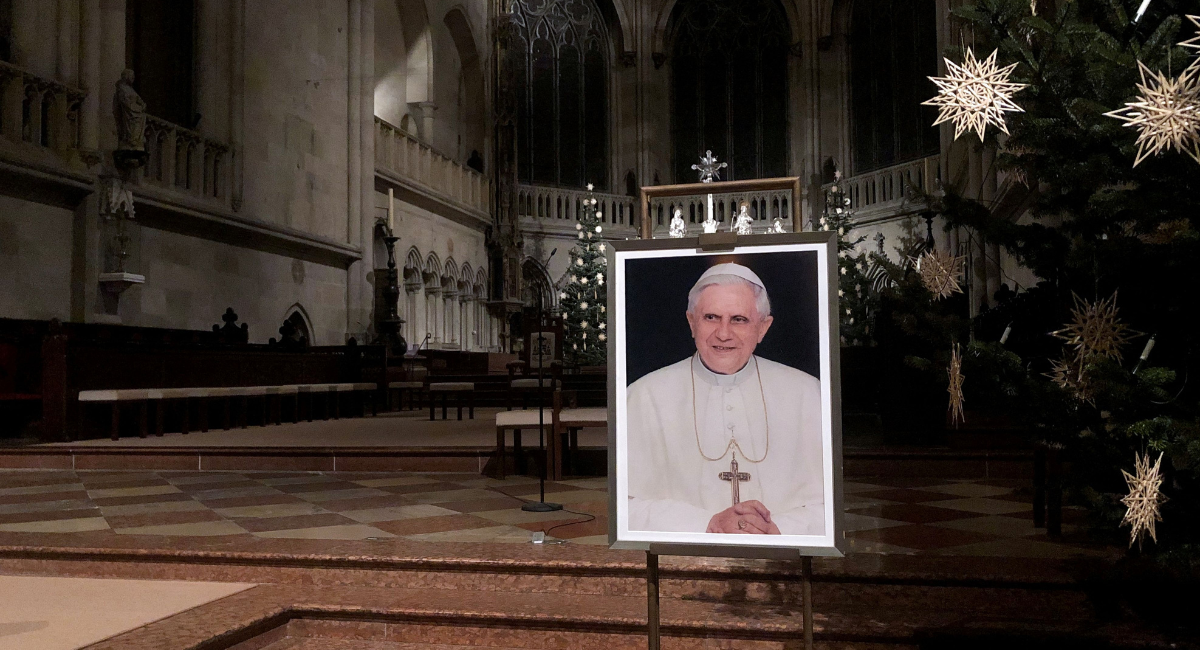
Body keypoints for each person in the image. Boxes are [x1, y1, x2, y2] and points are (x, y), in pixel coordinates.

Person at [626, 263, 824, 535]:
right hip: (683, 562)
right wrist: (707, 525)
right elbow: (625, 509)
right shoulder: (644, 396)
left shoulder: (807, 393)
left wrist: (776, 530)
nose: (723, 333)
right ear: (691, 322)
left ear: (763, 328)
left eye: (739, 319)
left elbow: (829, 506)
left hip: (781, 562)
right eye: (711, 317)